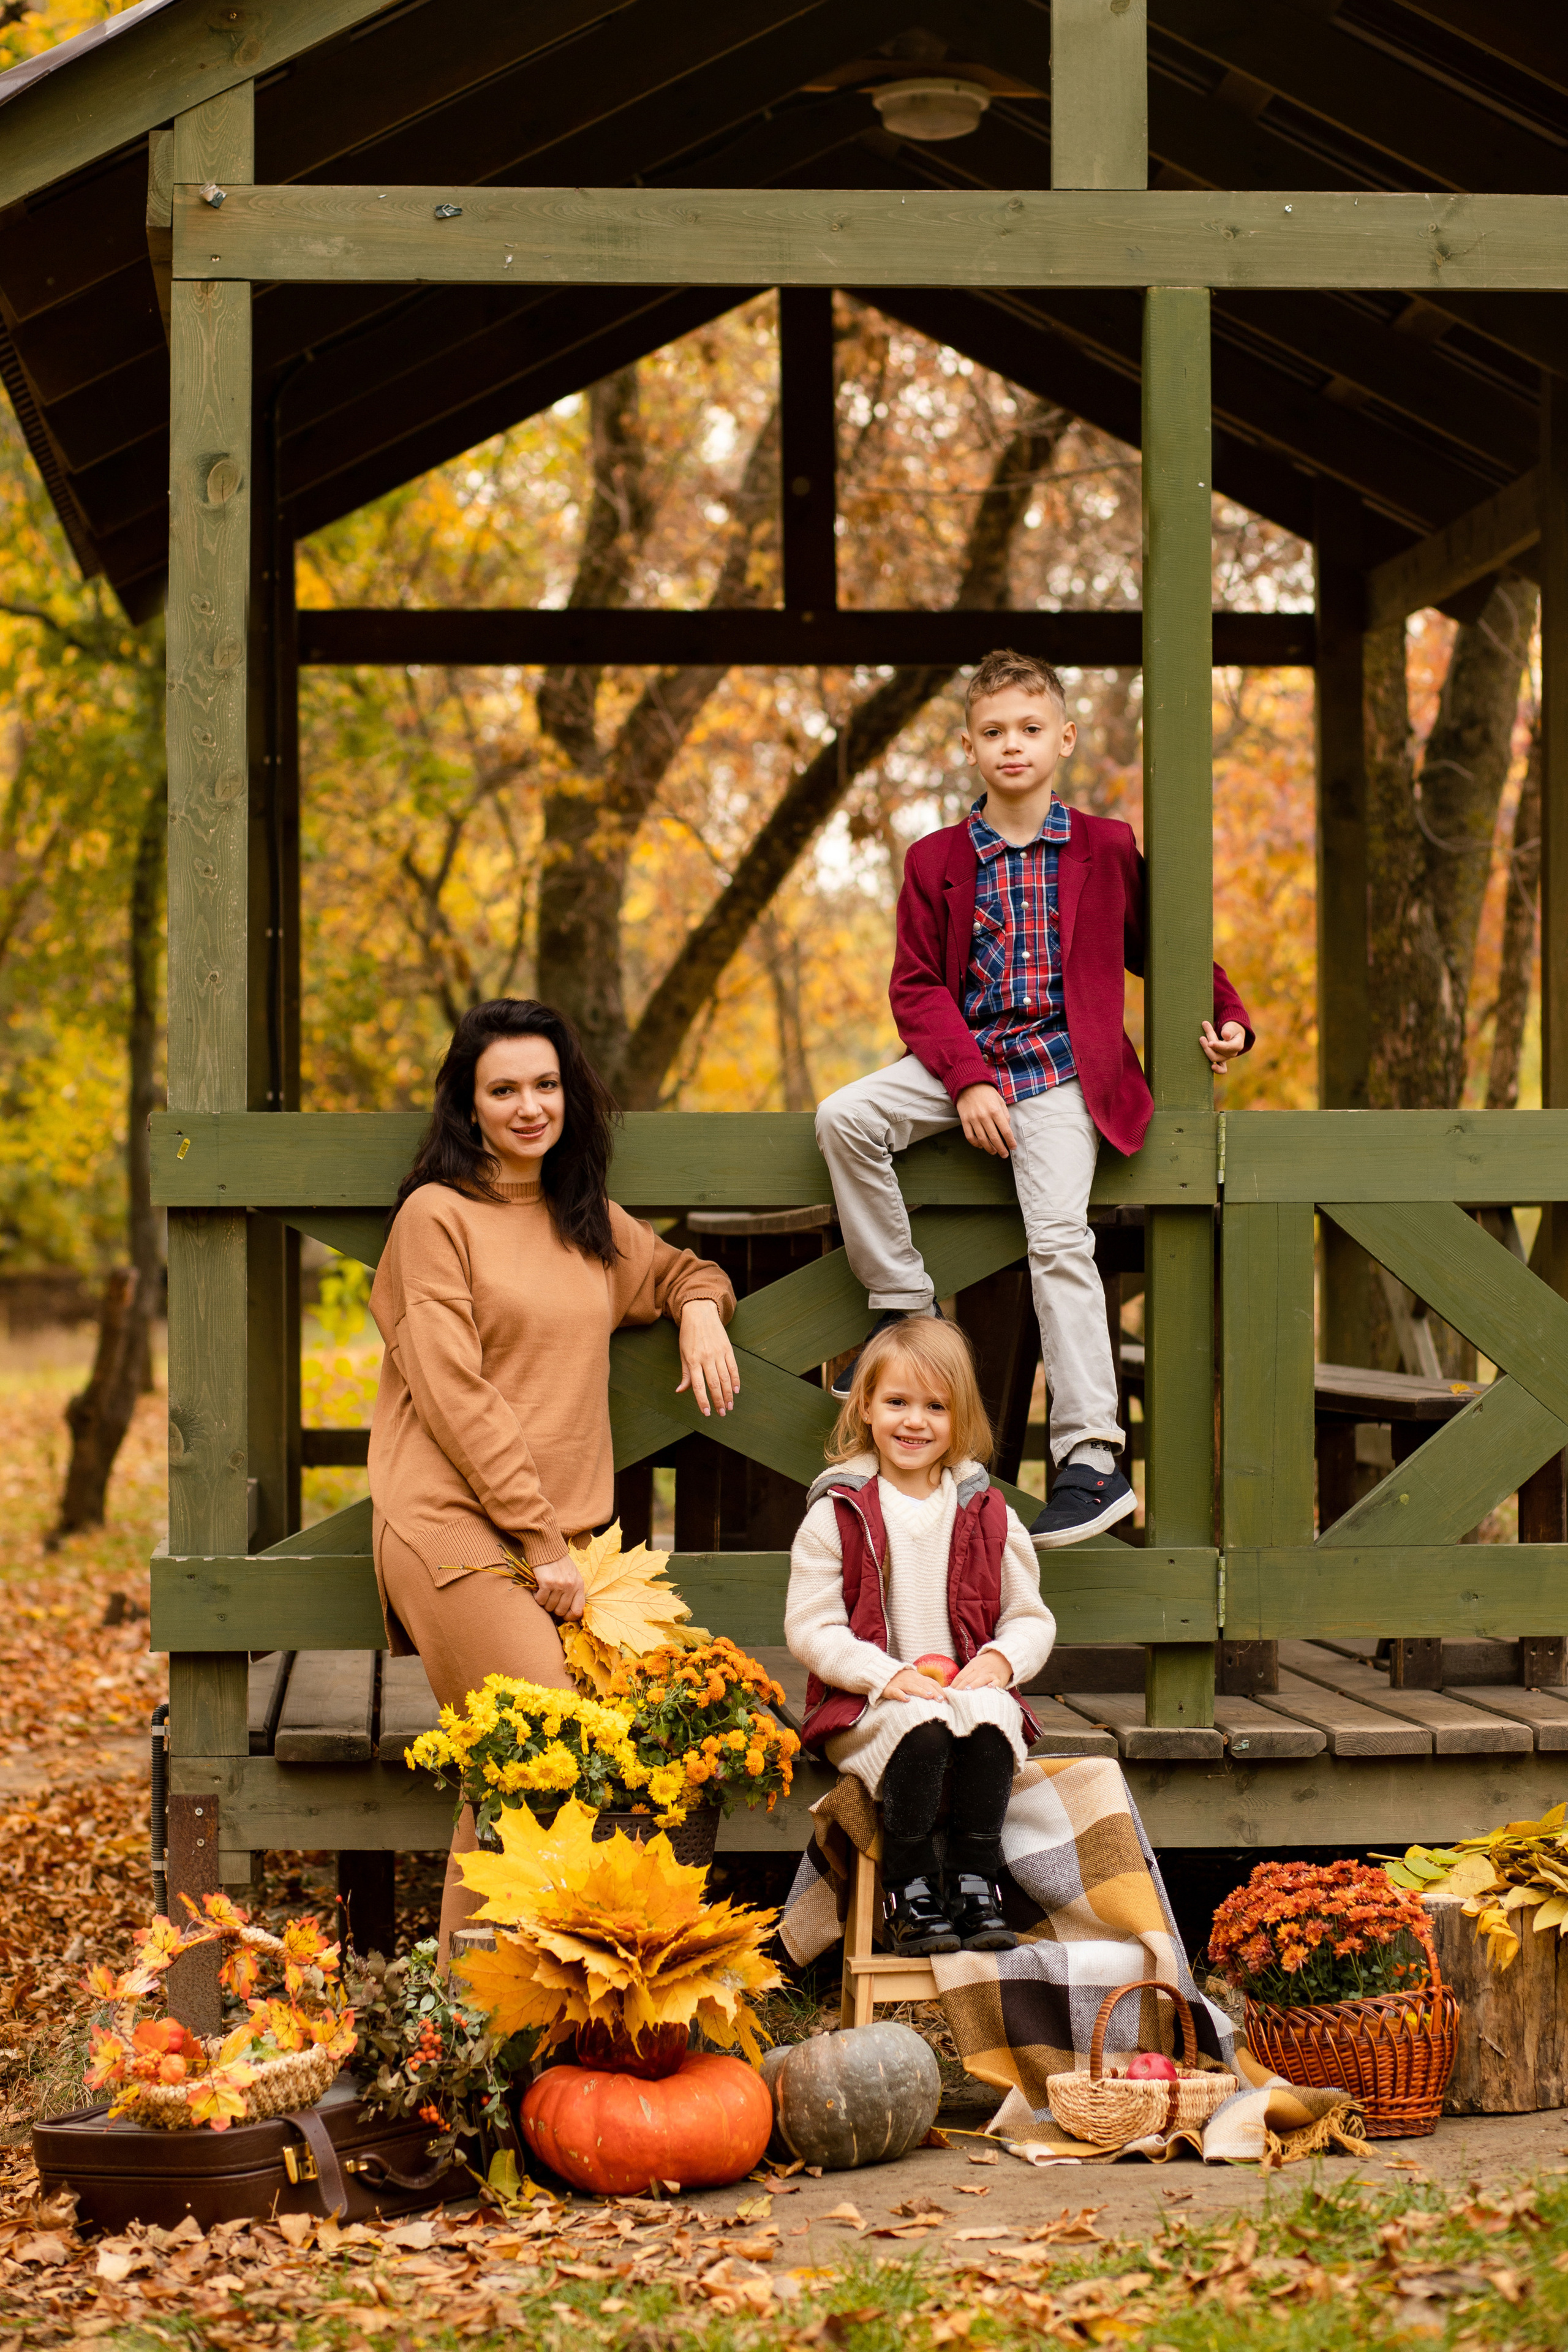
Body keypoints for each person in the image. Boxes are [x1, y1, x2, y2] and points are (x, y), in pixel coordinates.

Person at [815, 647, 1254, 1548]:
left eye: (1028, 729)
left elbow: (1163, 949)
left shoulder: (1104, 845)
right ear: (970, 747)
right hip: (961, 1065)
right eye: (992, 732)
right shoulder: (935, 858)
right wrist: (968, 1077)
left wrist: (1227, 1017)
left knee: (1060, 1240)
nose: (1011, 746)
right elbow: (916, 988)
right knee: (845, 1117)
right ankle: (904, 1306)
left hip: (1062, 1072)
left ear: (1064, 738)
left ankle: (1091, 1458)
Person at [368, 997, 738, 1956]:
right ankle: (468, 2027)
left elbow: (686, 1273)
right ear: (469, 1104)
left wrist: (698, 1310)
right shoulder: (434, 1219)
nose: (528, 1107)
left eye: (545, 1085)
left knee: (521, 1776)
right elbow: (456, 1397)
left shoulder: (584, 1222)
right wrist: (540, 1542)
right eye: (503, 1090)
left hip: (559, 1547)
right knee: (547, 1758)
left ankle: (469, 2037)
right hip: (454, 1525)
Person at [785, 1315, 1057, 1958]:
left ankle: (974, 1879)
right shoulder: (838, 1514)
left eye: (936, 1406)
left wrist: (998, 1660)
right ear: (866, 1409)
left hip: (959, 1687)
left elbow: (1030, 1618)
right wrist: (884, 1675)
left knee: (992, 1719)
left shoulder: (990, 1513)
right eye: (897, 1402)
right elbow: (811, 1626)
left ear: (961, 1419)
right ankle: (906, 1890)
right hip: (867, 1702)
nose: (914, 1421)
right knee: (921, 1728)